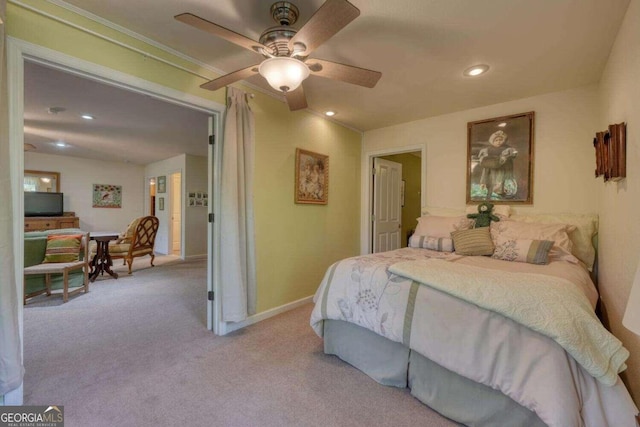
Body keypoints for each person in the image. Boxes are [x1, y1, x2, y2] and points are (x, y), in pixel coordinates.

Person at [477, 130, 518, 199]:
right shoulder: (488, 151)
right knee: (491, 186)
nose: (498, 142)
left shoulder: (507, 150)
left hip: (503, 170)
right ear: (492, 141)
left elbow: (513, 154)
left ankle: (501, 194)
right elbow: (485, 167)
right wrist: (483, 181)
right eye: (496, 140)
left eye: (500, 140)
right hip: (491, 171)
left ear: (504, 140)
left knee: (501, 184)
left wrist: (505, 158)